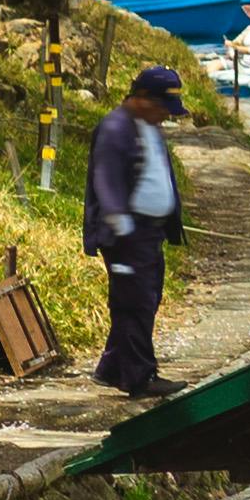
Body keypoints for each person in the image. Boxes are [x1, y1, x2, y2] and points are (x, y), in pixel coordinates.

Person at [89, 62, 182, 396]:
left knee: (147, 298)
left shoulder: (149, 125)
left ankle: (112, 367)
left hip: (150, 232)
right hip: (127, 234)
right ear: (142, 98)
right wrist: (120, 222)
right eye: (162, 107)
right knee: (135, 303)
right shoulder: (116, 128)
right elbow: (107, 179)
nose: (166, 116)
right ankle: (141, 378)